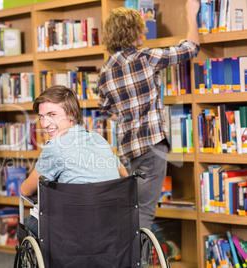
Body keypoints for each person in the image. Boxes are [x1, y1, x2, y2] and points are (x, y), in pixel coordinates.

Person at [97, 0, 200, 229]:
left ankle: (128, 258)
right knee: (144, 210)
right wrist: (190, 14)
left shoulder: (107, 69)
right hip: (152, 145)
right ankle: (135, 262)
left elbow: (105, 111)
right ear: (133, 32)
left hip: (128, 149)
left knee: (132, 206)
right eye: (141, 27)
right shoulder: (145, 57)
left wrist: (129, 115)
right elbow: (191, 48)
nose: (145, 31)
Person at [20, 85, 128, 236]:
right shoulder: (99, 139)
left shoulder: (55, 147)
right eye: (41, 116)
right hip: (109, 225)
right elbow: (124, 174)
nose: (44, 124)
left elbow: (25, 190)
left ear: (71, 114)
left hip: (71, 230)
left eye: (52, 114)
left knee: (25, 225)